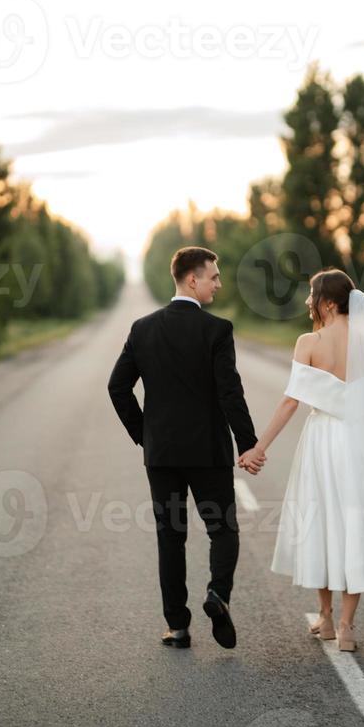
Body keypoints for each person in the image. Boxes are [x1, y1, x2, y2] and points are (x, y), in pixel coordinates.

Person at [238, 267, 364, 651]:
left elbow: (291, 402)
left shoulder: (308, 341)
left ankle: (323, 618)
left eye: (311, 296)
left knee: (322, 520)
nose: (308, 302)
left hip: (323, 439)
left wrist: (260, 447)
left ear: (327, 302)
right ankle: (346, 626)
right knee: (354, 523)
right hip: (357, 441)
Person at [107, 246, 264, 650]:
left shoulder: (142, 329)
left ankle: (177, 627)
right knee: (223, 530)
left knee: (170, 537)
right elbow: (231, 393)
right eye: (214, 276)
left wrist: (146, 434)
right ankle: (218, 595)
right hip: (208, 454)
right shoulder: (217, 330)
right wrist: (248, 445)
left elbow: (117, 387)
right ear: (192, 279)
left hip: (162, 456)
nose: (219, 283)